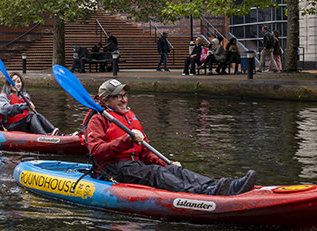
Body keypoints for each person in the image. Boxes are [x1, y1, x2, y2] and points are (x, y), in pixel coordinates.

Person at [82, 79, 257, 196]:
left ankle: (220, 186)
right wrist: (126, 140)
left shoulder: (128, 116)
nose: (123, 100)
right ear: (105, 100)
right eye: (118, 97)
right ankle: (204, 194)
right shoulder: (97, 119)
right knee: (155, 172)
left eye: (124, 95)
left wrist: (165, 162)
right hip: (112, 169)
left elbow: (145, 151)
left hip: (134, 165)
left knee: (173, 169)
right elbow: (96, 151)